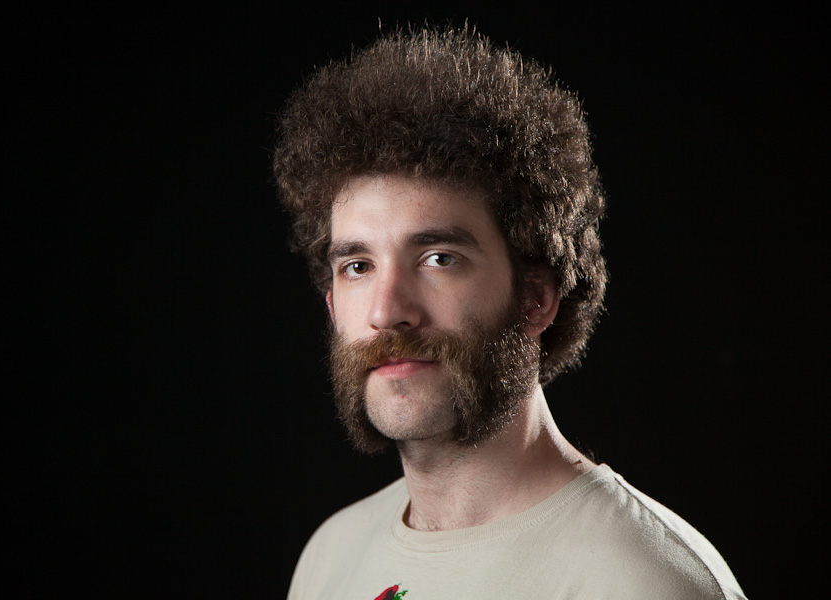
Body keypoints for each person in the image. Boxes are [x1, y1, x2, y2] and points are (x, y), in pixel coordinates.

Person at [273, 24, 746, 600]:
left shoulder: (641, 582)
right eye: (357, 266)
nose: (387, 310)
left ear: (535, 298)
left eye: (439, 258)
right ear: (331, 305)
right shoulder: (330, 556)